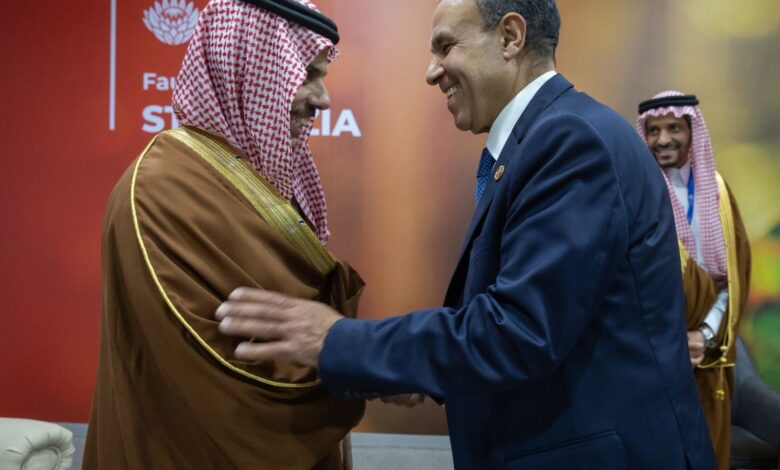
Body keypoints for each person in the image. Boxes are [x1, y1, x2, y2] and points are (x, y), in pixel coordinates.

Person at [215, 0, 716, 468]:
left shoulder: (569, 141)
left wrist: (336, 341)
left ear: (511, 37)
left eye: (446, 46)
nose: (431, 72)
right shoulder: (540, 140)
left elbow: (520, 332)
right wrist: (417, 372)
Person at [83, 0, 366, 468]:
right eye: (308, 75)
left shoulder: (263, 180)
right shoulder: (160, 189)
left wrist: (354, 354)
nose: (323, 99)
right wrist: (361, 364)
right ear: (249, 69)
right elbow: (215, 365)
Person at [637, 91, 751, 470]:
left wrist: (705, 334)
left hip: (709, 351)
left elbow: (731, 279)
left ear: (692, 131)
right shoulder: (637, 195)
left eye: (673, 128)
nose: (663, 139)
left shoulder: (717, 193)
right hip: (653, 351)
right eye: (653, 131)